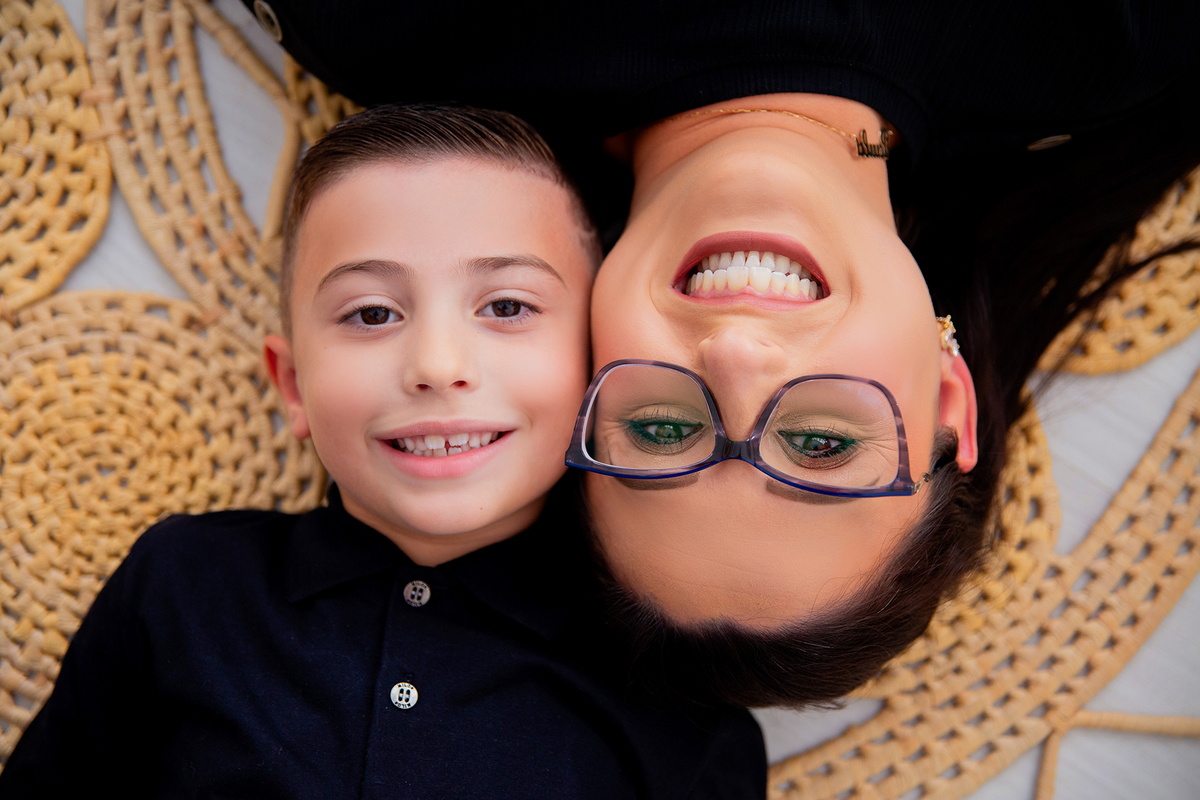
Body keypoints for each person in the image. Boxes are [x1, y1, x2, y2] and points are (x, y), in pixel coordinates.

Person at [243, 0, 1200, 706]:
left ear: (578, 377)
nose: (737, 354)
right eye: (823, 445)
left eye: (660, 429)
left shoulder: (382, 20)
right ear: (950, 398)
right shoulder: (1118, 35)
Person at [0, 104, 766, 797]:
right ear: (293, 384)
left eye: (506, 306)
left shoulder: (675, 694)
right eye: (371, 313)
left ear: (596, 363)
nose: (435, 365)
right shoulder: (184, 588)